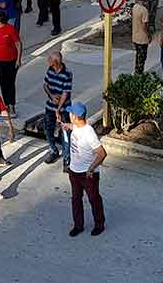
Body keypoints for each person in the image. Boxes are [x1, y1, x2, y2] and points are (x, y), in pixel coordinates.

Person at [62, 102, 106, 237]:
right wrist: (65, 126)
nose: (69, 115)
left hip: (87, 174)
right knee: (76, 199)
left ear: (75, 117)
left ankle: (99, 224)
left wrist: (91, 169)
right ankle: (78, 226)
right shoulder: (76, 125)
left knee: (93, 199)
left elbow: (102, 153)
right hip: (74, 171)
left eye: (71, 114)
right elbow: (73, 127)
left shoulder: (89, 133)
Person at [0, 10, 22, 117]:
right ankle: (6, 104)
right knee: (2, 83)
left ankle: (12, 105)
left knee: (10, 83)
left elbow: (18, 44)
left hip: (11, 61)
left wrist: (18, 59)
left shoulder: (10, 29)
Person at [43, 51, 73, 170]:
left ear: (55, 62)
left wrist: (58, 109)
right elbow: (45, 85)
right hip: (50, 107)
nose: (48, 61)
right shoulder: (50, 70)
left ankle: (67, 160)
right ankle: (53, 150)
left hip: (64, 109)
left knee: (65, 135)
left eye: (50, 59)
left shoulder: (67, 75)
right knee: (48, 130)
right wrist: (51, 96)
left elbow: (65, 94)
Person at [132, 0, 151, 74]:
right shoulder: (144, 11)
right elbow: (144, 26)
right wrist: (149, 35)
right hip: (142, 38)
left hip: (135, 36)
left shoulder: (135, 7)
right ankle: (139, 73)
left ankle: (137, 71)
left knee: (138, 55)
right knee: (142, 57)